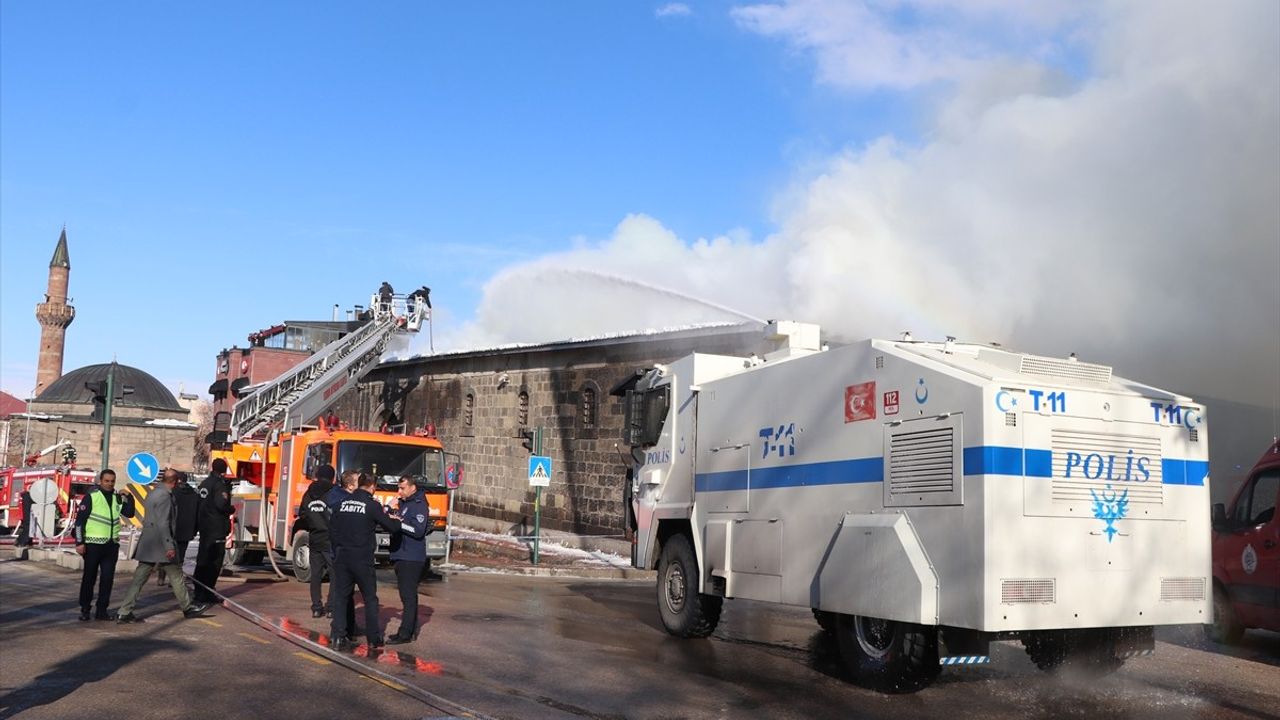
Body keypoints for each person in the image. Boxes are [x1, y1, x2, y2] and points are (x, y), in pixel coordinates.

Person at [115, 469, 211, 623]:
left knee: (139, 579)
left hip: (148, 544)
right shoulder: (165, 496)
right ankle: (188, 607)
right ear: (175, 481)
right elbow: (163, 523)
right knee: (176, 575)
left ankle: (124, 611)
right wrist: (169, 546)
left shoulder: (153, 493)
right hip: (161, 545)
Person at [328, 472, 400, 651]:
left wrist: (337, 550)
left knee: (342, 597)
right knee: (370, 598)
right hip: (362, 559)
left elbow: (332, 530)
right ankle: (373, 638)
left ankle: (338, 636)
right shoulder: (371, 505)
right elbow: (390, 526)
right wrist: (397, 521)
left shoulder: (341, 504)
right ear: (373, 486)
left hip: (342, 557)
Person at [73, 469, 135, 621]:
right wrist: (80, 542)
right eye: (106, 480)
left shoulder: (117, 498)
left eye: (112, 481)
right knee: (89, 578)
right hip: (92, 545)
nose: (109, 483)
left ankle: (102, 610)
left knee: (107, 579)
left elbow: (129, 513)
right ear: (100, 481)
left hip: (111, 545)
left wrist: (129, 497)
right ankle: (85, 609)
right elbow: (80, 522)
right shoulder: (91, 497)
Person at [387, 475, 431, 644]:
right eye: (399, 488)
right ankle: (407, 630)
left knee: (408, 596)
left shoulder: (419, 506)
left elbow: (418, 530)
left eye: (402, 488)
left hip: (411, 557)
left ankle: (405, 633)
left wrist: (399, 522)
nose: (399, 491)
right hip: (401, 554)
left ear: (413, 488)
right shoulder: (405, 504)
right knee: (406, 595)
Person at [192, 459, 235, 604]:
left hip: (204, 527)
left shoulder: (204, 484)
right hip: (216, 527)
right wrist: (231, 508)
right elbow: (221, 505)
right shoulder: (219, 485)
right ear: (223, 470)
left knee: (203, 559)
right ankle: (208, 591)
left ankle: (198, 591)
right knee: (215, 561)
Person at [300, 464, 337, 618]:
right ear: (332, 477)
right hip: (330, 539)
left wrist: (312, 523)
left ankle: (316, 607)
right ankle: (331, 607)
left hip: (314, 537)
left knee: (315, 574)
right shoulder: (334, 492)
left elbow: (302, 514)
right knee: (335, 574)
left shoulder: (308, 493)